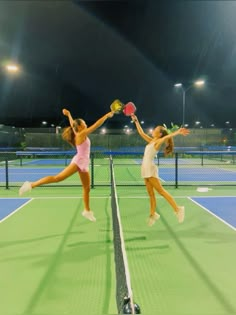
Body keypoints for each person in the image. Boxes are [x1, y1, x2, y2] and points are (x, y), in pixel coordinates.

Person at [19, 109, 114, 222]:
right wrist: (107, 115)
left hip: (83, 163)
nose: (86, 124)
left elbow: (72, 123)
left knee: (87, 188)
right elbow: (96, 125)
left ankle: (87, 211)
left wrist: (69, 114)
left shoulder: (77, 131)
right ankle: (30, 184)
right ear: (79, 127)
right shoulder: (81, 134)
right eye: (84, 123)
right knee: (58, 178)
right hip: (79, 161)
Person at [131, 114, 190, 226]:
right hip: (145, 168)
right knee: (150, 193)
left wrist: (177, 132)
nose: (153, 131)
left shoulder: (158, 142)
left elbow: (166, 137)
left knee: (161, 191)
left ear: (160, 133)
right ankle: (153, 214)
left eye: (155, 130)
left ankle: (178, 209)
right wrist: (136, 121)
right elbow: (141, 133)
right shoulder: (151, 141)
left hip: (150, 168)